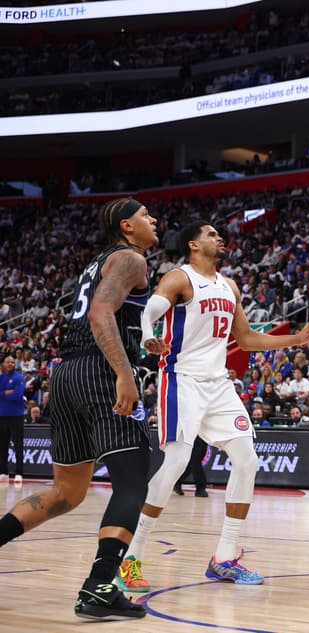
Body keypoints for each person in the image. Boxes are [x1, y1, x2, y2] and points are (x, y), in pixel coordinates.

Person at [119, 221, 309, 593]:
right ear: (193, 245)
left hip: (218, 384)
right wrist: (150, 338)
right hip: (181, 379)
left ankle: (224, 558)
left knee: (247, 460)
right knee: (177, 462)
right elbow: (148, 312)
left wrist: (297, 338)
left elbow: (245, 339)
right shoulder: (178, 278)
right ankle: (130, 557)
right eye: (211, 234)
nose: (219, 238)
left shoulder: (229, 286)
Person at [0, 198, 158, 619]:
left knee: (66, 493)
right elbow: (101, 312)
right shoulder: (130, 258)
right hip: (98, 372)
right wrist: (124, 374)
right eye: (145, 215)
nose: (154, 220)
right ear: (126, 226)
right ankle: (100, 585)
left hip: (66, 374)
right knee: (134, 478)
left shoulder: (97, 262)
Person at [0, 355, 26, 485]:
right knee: (2, 445)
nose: (10, 363)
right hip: (2, 415)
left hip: (16, 416)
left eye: (12, 362)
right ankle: (3, 472)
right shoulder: (1, 378)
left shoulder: (19, 377)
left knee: (18, 445)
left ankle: (19, 473)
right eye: (7, 362)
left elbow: (18, 394)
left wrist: (3, 393)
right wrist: (6, 392)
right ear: (3, 364)